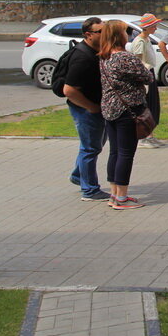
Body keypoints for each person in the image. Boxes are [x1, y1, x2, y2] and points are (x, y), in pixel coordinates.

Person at [97, 20, 152, 210]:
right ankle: (122, 197)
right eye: (126, 31)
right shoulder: (124, 58)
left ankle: (114, 193)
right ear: (119, 35)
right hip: (127, 110)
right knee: (126, 153)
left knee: (115, 151)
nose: (128, 34)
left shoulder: (104, 56)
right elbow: (148, 77)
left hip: (110, 109)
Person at [64, 17, 109, 201]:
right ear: (88, 35)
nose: (105, 34)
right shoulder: (82, 57)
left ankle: (78, 175)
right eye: (100, 32)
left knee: (93, 146)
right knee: (90, 149)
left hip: (96, 108)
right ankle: (89, 190)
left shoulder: (95, 51)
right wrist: (91, 107)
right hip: (85, 109)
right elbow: (69, 90)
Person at [130, 13, 163, 149]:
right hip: (144, 75)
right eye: (154, 25)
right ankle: (143, 137)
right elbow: (138, 62)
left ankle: (150, 134)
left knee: (153, 105)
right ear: (147, 27)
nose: (155, 28)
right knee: (146, 105)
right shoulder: (139, 41)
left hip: (150, 73)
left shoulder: (147, 39)